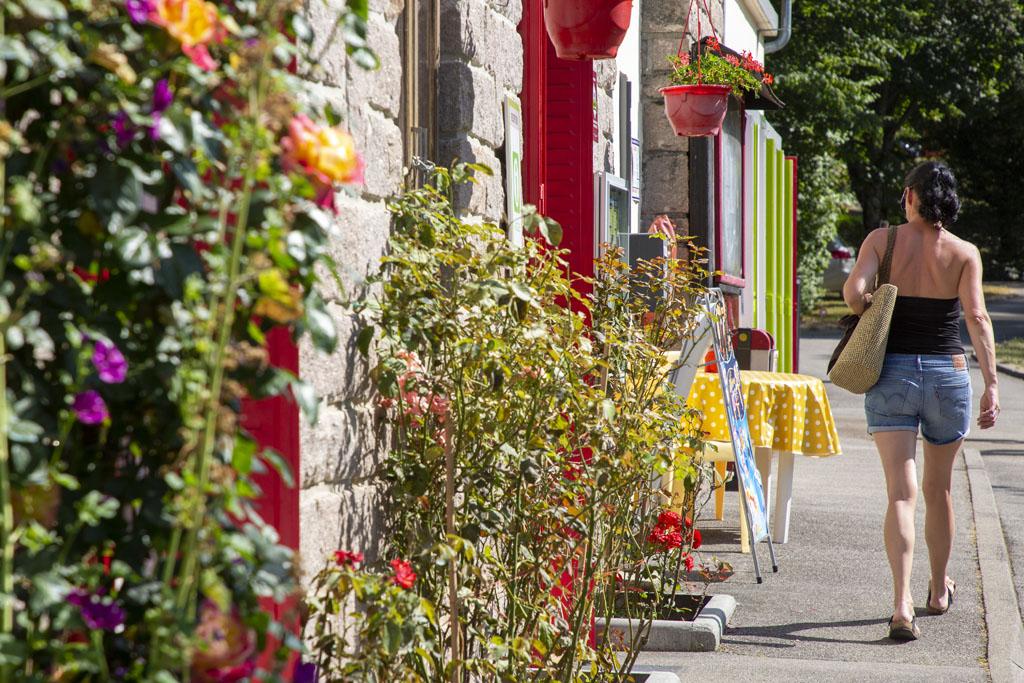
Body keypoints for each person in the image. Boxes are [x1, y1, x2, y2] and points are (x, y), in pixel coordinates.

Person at [843, 161, 1000, 641]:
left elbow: (854, 293)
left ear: (910, 194)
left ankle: (900, 606)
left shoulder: (881, 240)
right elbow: (976, 316)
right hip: (948, 376)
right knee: (940, 491)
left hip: (891, 373)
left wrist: (869, 302)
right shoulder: (964, 252)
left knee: (900, 493)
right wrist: (991, 382)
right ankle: (937, 590)